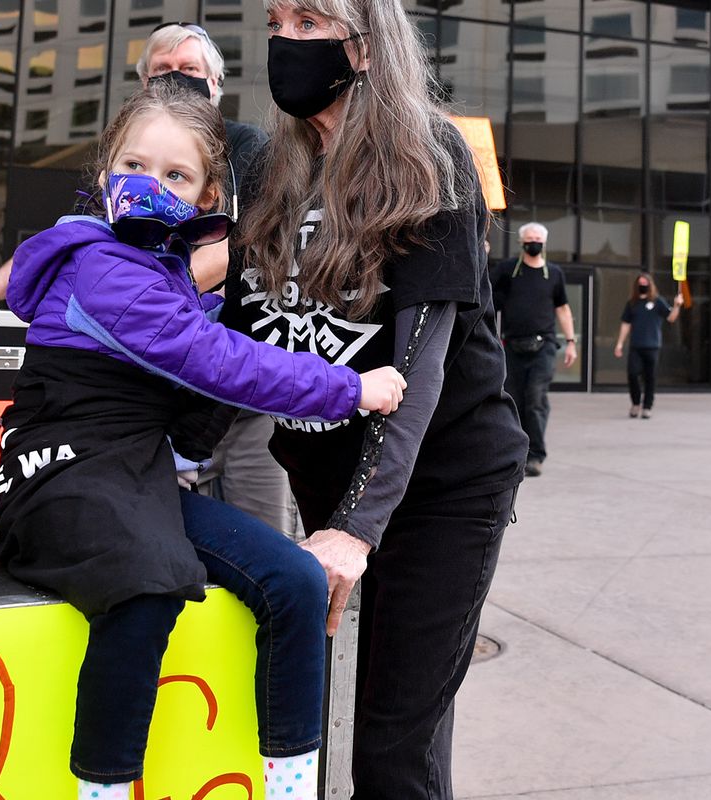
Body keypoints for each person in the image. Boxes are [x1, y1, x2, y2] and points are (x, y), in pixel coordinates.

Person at [0, 85, 407, 800]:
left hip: (135, 478)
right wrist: (350, 387)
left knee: (295, 581)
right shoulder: (104, 268)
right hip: (56, 480)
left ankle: (290, 785)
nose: (150, 186)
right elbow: (217, 361)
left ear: (209, 194)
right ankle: (105, 787)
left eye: (176, 175)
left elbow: (210, 364)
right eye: (134, 165)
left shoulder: (168, 275)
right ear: (104, 175)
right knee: (147, 582)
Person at [221, 1, 528, 796]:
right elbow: (226, 340)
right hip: (324, 479)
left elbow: (418, 368)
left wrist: (356, 528)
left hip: (441, 485)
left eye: (309, 21)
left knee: (393, 744)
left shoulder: (430, 155)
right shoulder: (267, 171)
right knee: (300, 728)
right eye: (277, 19)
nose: (286, 39)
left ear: (362, 45)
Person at [0, 23, 300, 537]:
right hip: (163, 389)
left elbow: (240, 248)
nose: (176, 79)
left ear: (215, 85)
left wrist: (148, 288)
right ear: (143, 84)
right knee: (164, 538)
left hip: (238, 382)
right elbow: (78, 237)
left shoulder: (248, 149)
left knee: (265, 540)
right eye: (163, 70)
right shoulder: (129, 167)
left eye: (190, 70)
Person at [490, 222, 578, 476]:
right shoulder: (508, 270)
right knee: (514, 399)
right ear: (521, 242)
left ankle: (536, 455)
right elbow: (485, 293)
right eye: (529, 238)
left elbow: (563, 308)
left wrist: (570, 342)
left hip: (545, 346)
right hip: (513, 345)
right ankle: (517, 453)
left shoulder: (554, 273)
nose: (533, 242)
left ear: (544, 243)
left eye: (538, 238)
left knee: (535, 398)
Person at [614, 272, 683, 419]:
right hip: (636, 346)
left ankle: (647, 407)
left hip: (652, 346)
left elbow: (671, 317)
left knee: (650, 378)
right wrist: (620, 343)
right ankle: (635, 403)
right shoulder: (632, 303)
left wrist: (677, 306)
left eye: (646, 283)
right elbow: (625, 324)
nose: (643, 286)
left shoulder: (657, 302)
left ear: (650, 285)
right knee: (633, 374)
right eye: (641, 283)